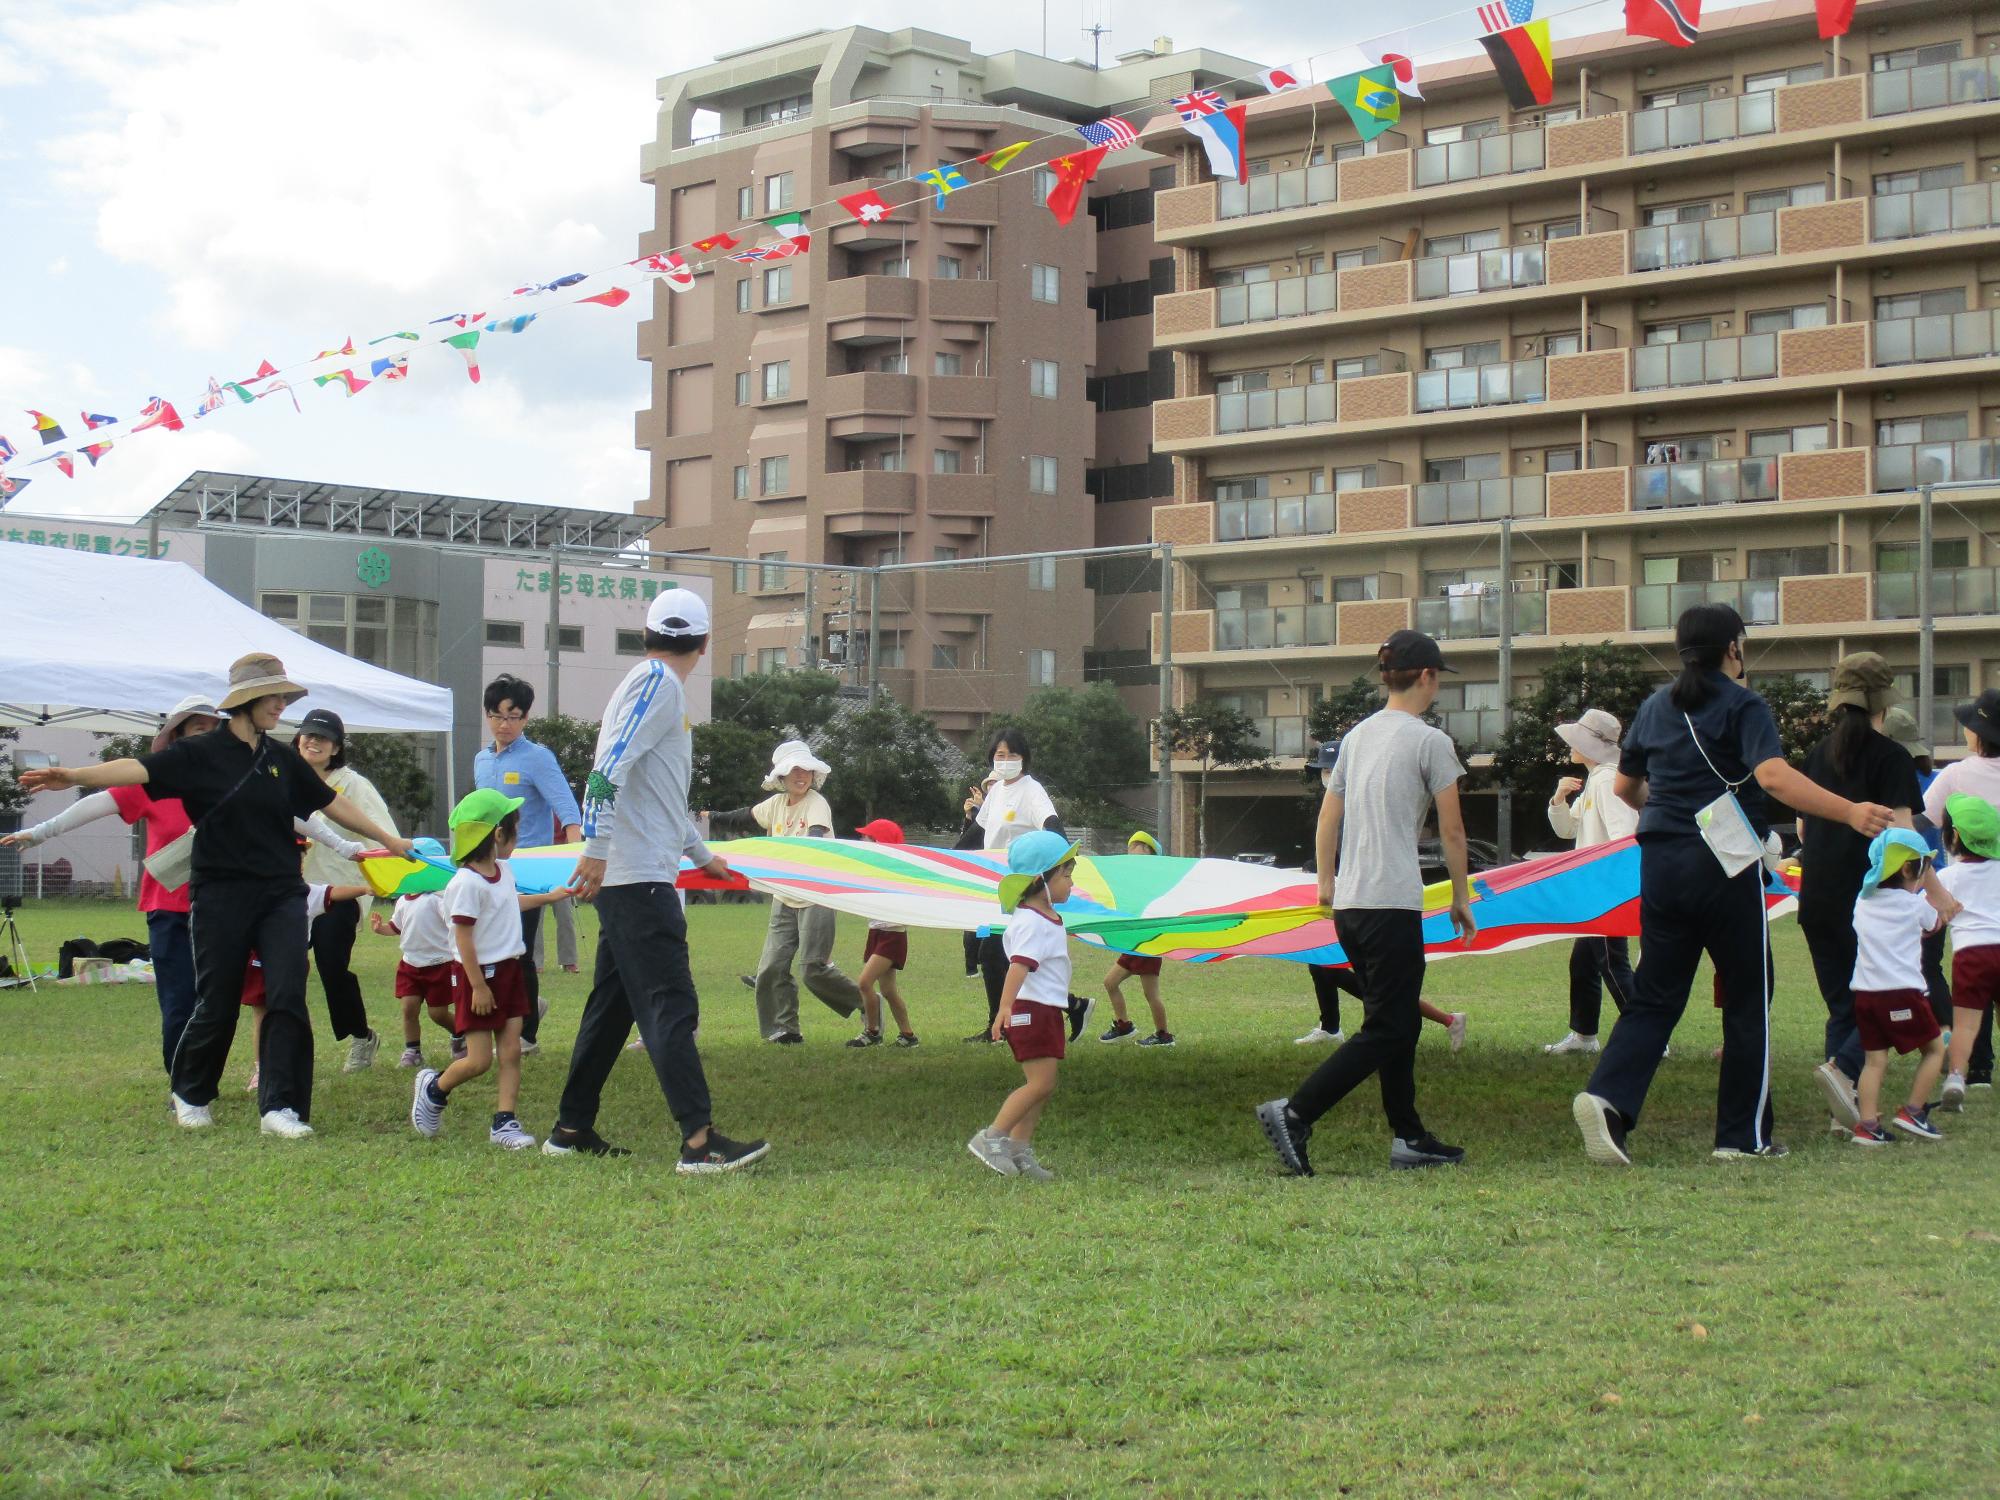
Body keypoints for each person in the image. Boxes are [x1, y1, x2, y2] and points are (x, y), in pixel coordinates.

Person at [21, 653, 410, 1137]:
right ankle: (191, 1092)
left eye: (284, 697)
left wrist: (387, 840)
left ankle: (280, 1108)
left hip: (281, 894)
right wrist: (73, 776)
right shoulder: (200, 753)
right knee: (218, 999)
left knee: (287, 994)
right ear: (246, 701)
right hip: (221, 894)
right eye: (275, 697)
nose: (281, 706)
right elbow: (135, 770)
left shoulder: (280, 757)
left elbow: (330, 803)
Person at [1572, 605, 1894, 1167]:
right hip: (1725, 865)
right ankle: (1742, 1138)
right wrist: (1850, 812)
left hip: (1662, 861)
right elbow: (1770, 776)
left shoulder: (1654, 705)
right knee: (1748, 996)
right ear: (1734, 649)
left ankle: (1608, 1098)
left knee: (1654, 994)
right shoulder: (1744, 704)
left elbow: (1626, 786)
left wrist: (1671, 813)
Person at [2, 694, 362, 1074]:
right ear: (176, 739)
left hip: (231, 909)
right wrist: (39, 832)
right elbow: (93, 805)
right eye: (196, 730)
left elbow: (296, 814)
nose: (207, 737)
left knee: (220, 1001)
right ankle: (183, 1081)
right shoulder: (152, 782)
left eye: (212, 729)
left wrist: (343, 845)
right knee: (180, 1001)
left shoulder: (239, 776)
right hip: (171, 909)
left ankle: (208, 1081)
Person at [544, 588, 769, 1172]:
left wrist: (700, 852)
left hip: (636, 870)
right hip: (637, 876)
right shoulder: (660, 686)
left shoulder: (648, 682)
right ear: (701, 643)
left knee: (614, 1007)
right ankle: (699, 1142)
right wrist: (594, 849)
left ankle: (570, 1128)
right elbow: (608, 766)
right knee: (671, 1003)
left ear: (648, 635)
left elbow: (659, 793)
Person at [1256, 629, 1475, 1177]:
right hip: (1391, 903)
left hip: (1352, 905)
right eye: (1437, 679)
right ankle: (1296, 1113)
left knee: (1396, 1020)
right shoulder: (1430, 741)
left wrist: (1326, 883)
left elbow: (1328, 815)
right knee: (1391, 1027)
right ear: (1427, 676)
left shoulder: (1356, 737)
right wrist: (1463, 896)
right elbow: (1452, 830)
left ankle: (1410, 1137)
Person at [1793, 655, 1930, 1130]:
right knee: (1884, 1001)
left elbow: (1803, 830)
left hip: (1817, 898)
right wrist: (1934, 893)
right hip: (1872, 905)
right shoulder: (1892, 757)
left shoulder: (1816, 756)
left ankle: (1843, 1105)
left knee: (1842, 1005)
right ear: (1884, 702)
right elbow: (1905, 837)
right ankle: (1843, 1070)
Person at [410, 791, 572, 1149]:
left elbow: (509, 902)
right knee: (479, 1060)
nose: (519, 835)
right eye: (516, 828)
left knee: (511, 1050)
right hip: (477, 977)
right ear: (498, 835)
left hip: (510, 971)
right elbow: (463, 938)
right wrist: (478, 986)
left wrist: (549, 896)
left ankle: (504, 1123)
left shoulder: (504, 871)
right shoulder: (465, 884)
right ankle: (434, 1089)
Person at [710, 741, 863, 1043]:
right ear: (781, 777)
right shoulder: (776, 805)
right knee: (770, 969)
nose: (800, 775)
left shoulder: (816, 802)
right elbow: (743, 817)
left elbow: (816, 838)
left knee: (813, 970)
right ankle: (784, 1029)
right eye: (793, 770)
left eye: (805, 769)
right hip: (784, 895)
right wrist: (707, 817)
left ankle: (870, 1007)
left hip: (816, 894)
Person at [954, 728, 1089, 1045]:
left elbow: (1052, 825)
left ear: (1024, 759)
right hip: (998, 884)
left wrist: (1063, 863)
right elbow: (979, 830)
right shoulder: (998, 791)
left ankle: (998, 1026)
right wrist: (948, 858)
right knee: (998, 954)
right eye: (1000, 755)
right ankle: (1070, 1006)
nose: (1005, 761)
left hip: (1026, 887)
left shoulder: (1032, 790)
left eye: (1012, 755)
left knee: (997, 954)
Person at [471, 673, 582, 1055]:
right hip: (487, 870)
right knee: (492, 949)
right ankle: (522, 1010)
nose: (505, 724)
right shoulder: (482, 760)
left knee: (519, 951)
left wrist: (573, 857)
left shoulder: (537, 758)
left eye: (513, 716)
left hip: (529, 871)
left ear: (525, 719)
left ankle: (527, 1035)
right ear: (487, 716)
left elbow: (567, 810)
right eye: (497, 715)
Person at [967, 830, 1082, 1182]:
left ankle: (1020, 1150)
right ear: (1040, 881)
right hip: (1031, 1012)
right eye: (1065, 875)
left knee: (1043, 1085)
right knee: (1040, 1084)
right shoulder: (1032, 922)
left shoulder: (1043, 918)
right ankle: (992, 1138)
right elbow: (1018, 967)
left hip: (1045, 1010)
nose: (1071, 882)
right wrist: (1004, 1009)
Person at [292, 707, 399, 1073]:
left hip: (342, 890)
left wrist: (382, 877)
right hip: (291, 891)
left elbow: (381, 830)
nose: (313, 742)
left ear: (336, 747)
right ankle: (284, 1046)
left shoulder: (352, 785)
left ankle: (360, 1036)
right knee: (282, 968)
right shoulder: (284, 779)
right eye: (308, 735)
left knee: (330, 963)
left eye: (323, 738)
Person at [1543, 708, 1640, 1055]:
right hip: (1594, 889)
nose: (1570, 745)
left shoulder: (1604, 780)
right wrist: (1558, 798)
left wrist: (1610, 887)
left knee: (1612, 963)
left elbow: (1624, 837)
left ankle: (1648, 1034)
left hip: (1603, 890)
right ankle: (1584, 1036)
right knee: (1584, 963)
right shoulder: (1597, 780)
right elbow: (1568, 829)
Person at [1847, 830, 1949, 1144]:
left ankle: (1867, 1125)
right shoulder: (1913, 904)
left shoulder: (1863, 901)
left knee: (1874, 1061)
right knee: (1935, 1049)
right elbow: (1934, 924)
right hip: (1902, 993)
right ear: (1907, 869)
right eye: (1922, 868)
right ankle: (1914, 1111)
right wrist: (1945, 911)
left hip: (1865, 994)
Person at [1923, 688, 2000, 1087]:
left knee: (1972, 996)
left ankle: (1976, 1069)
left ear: (1980, 733)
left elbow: (1924, 822)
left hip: (1966, 886)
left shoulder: (1956, 774)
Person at [241, 881, 372, 1094]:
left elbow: (334, 889)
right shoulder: (257, 886)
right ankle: (262, 1069)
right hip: (261, 960)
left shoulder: (307, 891)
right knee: (261, 1014)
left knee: (299, 1008)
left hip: (293, 957)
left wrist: (364, 888)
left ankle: (299, 1065)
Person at [1936, 794, 2000, 1111]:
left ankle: (1957, 1078)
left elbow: (1928, 919)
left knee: (1965, 1025)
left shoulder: (1947, 878)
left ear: (1955, 836)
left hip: (1971, 956)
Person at [370, 863, 459, 1068]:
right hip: (410, 965)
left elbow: (453, 924)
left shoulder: (437, 899)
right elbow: (396, 927)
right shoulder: (402, 901)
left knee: (438, 1014)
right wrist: (380, 929)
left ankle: (459, 1034)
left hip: (439, 965)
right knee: (408, 1008)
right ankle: (413, 1050)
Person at [847, 818, 919, 1049]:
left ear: (879, 843)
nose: (861, 840)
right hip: (877, 932)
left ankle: (872, 1031)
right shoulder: (871, 870)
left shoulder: (897, 873)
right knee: (888, 990)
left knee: (864, 983)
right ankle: (908, 1035)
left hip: (892, 936)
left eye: (866, 837)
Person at [1098, 831, 1175, 1047]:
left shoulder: (1155, 880)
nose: (1132, 852)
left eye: (1138, 848)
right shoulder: (1132, 879)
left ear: (1149, 853)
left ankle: (1163, 1035)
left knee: (1151, 993)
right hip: (1133, 944)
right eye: (1130, 847)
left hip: (1148, 943)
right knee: (1110, 982)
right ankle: (1124, 1026)